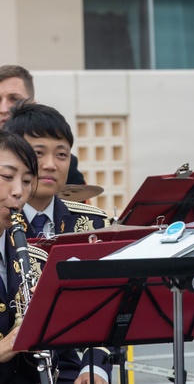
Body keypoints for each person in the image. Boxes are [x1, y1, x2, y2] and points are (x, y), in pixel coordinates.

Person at [0, 130, 109, 384]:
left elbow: (64, 355)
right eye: (6, 177)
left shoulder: (35, 260)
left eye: (27, 181)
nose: (18, 191)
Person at [2, 102, 108, 238]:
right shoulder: (3, 222)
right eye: (38, 153)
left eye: (61, 154)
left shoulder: (94, 224)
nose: (50, 165)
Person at [0, 65, 85, 185]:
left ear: (32, 105)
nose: (3, 109)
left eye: (14, 99)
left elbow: (76, 200)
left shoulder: (63, 162)